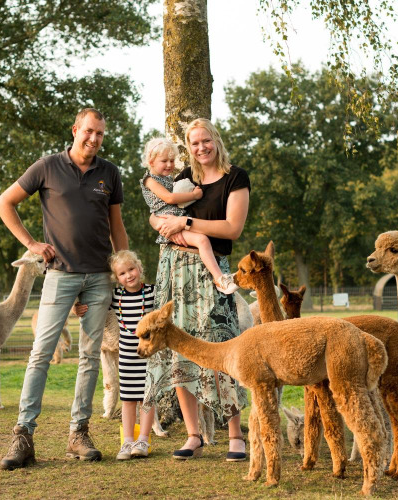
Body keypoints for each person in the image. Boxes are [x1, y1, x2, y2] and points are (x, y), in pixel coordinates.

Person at [0, 108, 128, 470]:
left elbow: (117, 226)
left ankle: (78, 433)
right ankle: (23, 436)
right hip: (60, 275)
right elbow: (3, 203)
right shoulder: (47, 167)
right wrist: (32, 244)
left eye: (100, 134)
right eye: (88, 131)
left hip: (100, 278)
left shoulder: (110, 174)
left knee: (89, 357)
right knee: (41, 353)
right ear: (75, 130)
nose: (94, 139)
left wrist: (125, 266)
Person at [142, 118, 250, 461]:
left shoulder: (235, 177)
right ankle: (193, 434)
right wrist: (160, 222)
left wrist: (186, 222)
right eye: (194, 143)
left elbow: (232, 228)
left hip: (210, 270)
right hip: (173, 268)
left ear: (215, 140)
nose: (200, 147)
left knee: (221, 346)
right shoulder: (182, 178)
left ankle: (235, 433)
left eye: (206, 140)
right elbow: (159, 212)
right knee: (177, 348)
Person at [74, 250, 157, 460]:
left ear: (139, 268)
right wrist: (78, 307)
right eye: (122, 273)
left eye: (131, 269)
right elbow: (94, 306)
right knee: (128, 398)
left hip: (149, 355)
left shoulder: (153, 292)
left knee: (147, 398)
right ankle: (128, 441)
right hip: (126, 355)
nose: (128, 275)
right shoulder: (116, 297)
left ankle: (144, 441)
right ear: (116, 278)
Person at [140, 137, 239, 294]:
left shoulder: (168, 178)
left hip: (175, 222)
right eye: (164, 161)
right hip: (168, 224)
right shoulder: (149, 180)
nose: (169, 165)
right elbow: (170, 199)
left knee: (202, 239)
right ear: (151, 162)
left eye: (172, 161)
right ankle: (220, 279)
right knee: (202, 240)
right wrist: (194, 195)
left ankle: (219, 277)